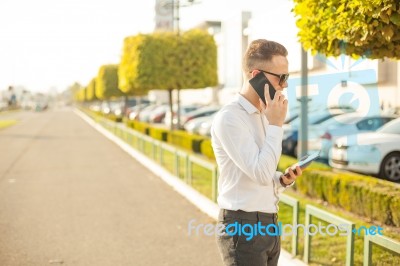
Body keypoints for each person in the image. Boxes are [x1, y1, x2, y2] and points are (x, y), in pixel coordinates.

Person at [211, 39, 303, 266]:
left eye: (287, 77)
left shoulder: (264, 115)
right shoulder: (230, 118)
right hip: (243, 227)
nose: (284, 85)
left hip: (268, 224)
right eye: (280, 78)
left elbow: (261, 172)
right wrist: (277, 125)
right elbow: (259, 172)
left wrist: (280, 180)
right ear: (256, 75)